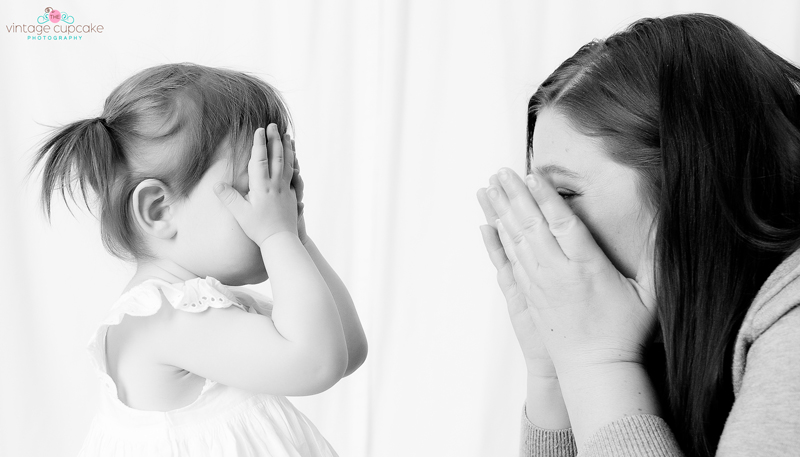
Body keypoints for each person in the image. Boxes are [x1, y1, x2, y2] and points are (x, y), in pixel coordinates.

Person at [477, 13, 800, 457]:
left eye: (564, 192)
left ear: (687, 191)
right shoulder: (680, 333)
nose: (533, 222)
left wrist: (596, 363)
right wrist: (553, 369)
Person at [30, 63, 367, 456]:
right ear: (159, 210)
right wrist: (279, 234)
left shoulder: (203, 307)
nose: (274, 206)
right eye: (252, 190)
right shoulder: (164, 318)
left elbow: (346, 350)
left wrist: (295, 234)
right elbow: (318, 363)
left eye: (277, 189)